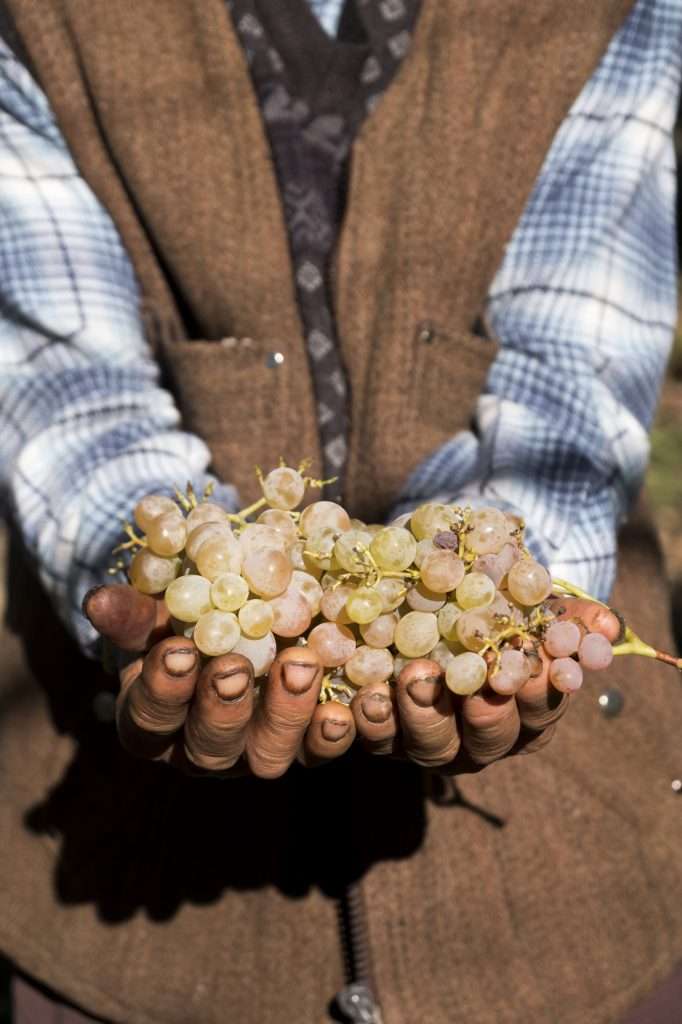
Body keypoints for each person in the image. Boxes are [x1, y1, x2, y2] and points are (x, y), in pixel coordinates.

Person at [0, 1, 681, 1022]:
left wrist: (510, 595)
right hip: (130, 912)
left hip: (565, 896)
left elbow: (570, 372)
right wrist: (141, 577)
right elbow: (69, 389)